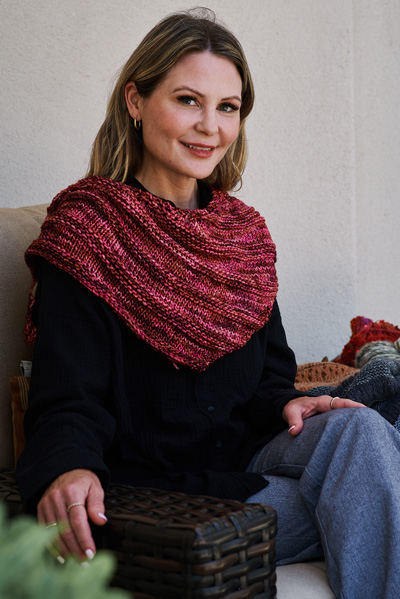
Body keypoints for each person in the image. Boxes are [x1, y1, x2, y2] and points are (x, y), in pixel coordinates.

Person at [16, 8, 400, 598]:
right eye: (188, 100)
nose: (209, 127)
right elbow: (67, 397)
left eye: (227, 107)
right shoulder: (89, 230)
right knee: (370, 495)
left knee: (364, 432)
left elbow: (269, 382)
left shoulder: (242, 237)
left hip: (248, 465)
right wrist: (68, 467)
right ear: (136, 100)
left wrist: (290, 403)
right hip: (157, 494)